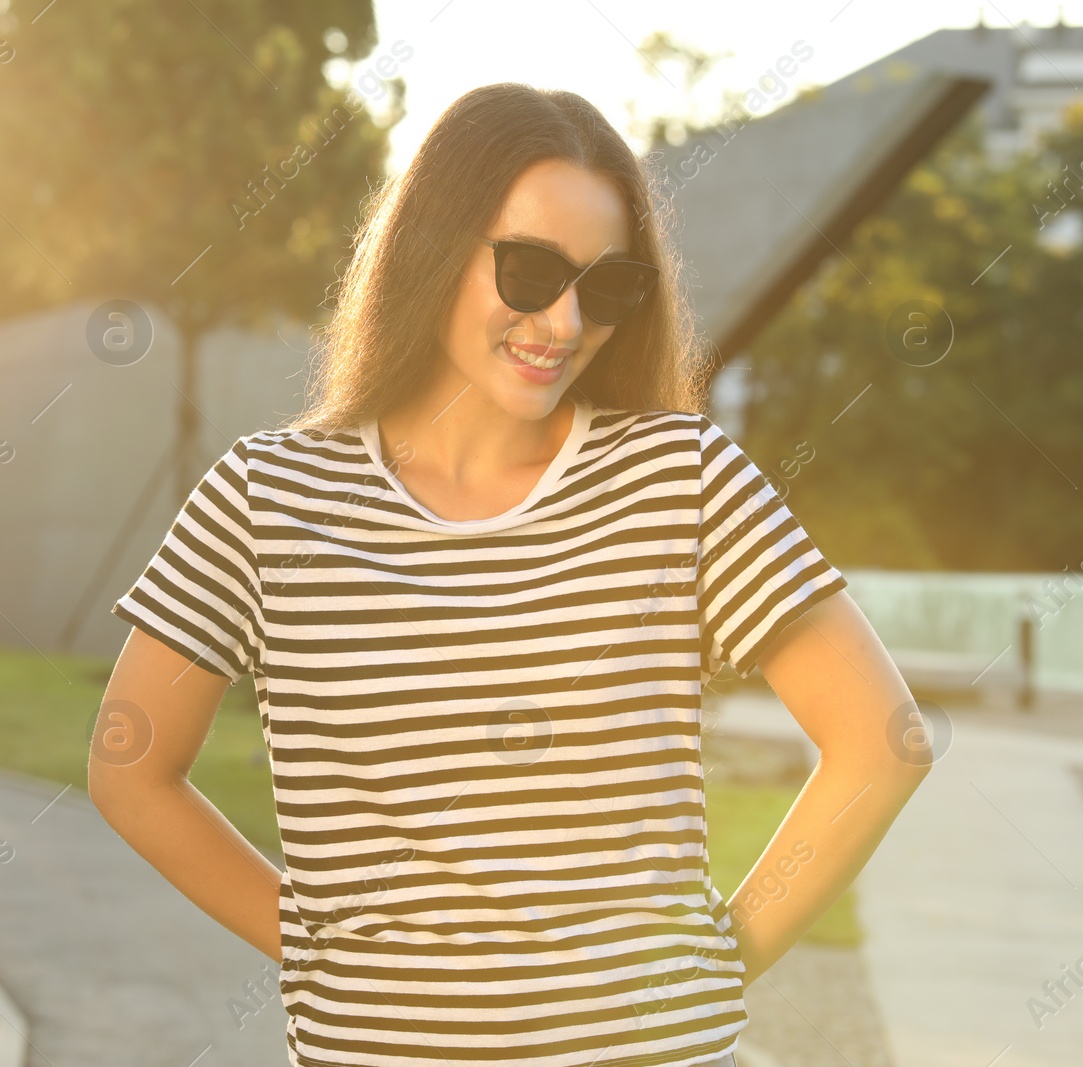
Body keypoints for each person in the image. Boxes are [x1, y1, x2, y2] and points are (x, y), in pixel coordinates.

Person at [91, 82, 929, 1067]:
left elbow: (884, 739)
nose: (566, 322)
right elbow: (128, 765)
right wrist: (318, 948)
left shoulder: (680, 480)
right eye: (530, 270)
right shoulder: (266, 498)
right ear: (435, 245)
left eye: (607, 287)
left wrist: (712, 963)